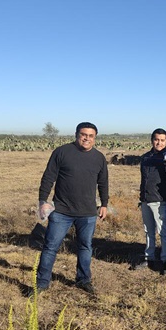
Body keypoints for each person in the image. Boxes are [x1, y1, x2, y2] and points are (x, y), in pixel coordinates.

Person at [36, 122, 109, 295]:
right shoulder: (62, 152)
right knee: (50, 247)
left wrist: (104, 204)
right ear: (77, 134)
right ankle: (41, 283)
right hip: (61, 211)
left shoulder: (99, 158)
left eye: (91, 136)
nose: (87, 138)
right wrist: (42, 201)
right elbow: (48, 177)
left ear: (95, 138)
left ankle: (83, 280)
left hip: (88, 212)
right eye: (84, 134)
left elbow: (103, 182)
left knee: (85, 247)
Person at [136, 128, 166, 274]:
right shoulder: (146, 157)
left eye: (162, 140)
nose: (159, 143)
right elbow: (144, 179)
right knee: (148, 231)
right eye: (156, 139)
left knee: (163, 232)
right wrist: (142, 197)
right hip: (146, 199)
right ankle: (149, 257)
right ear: (152, 140)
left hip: (160, 200)